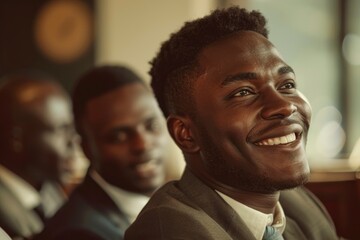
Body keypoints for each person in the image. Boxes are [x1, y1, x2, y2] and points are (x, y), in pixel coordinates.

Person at [125, 7, 340, 240]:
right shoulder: (168, 229)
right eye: (244, 92)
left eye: (286, 85)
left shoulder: (293, 202)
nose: (285, 106)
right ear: (186, 134)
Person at [36, 65, 169, 240]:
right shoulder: (78, 233)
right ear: (86, 148)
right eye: (119, 136)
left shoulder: (173, 204)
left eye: (152, 126)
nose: (142, 144)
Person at [0, 72, 79, 239]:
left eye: (72, 128)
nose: (73, 141)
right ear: (17, 140)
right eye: (61, 130)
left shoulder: (50, 190)